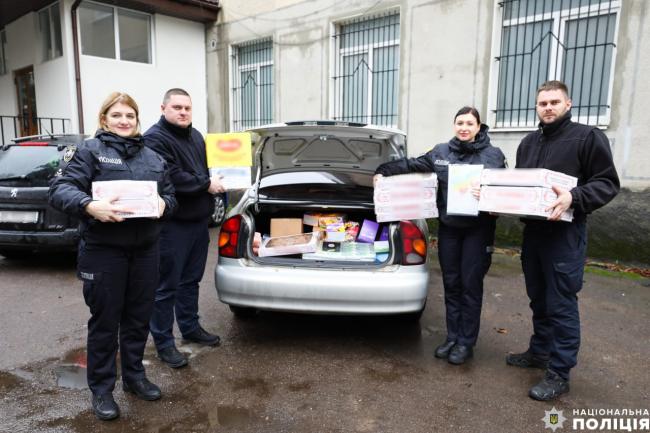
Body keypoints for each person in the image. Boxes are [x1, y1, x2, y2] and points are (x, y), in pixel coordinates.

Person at [49, 92, 177, 421]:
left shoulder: (152, 156)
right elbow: (60, 190)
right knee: (105, 323)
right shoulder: (90, 151)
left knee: (137, 320)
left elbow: (170, 194)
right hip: (103, 252)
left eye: (130, 116)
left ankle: (134, 377)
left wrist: (165, 204)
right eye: (117, 115)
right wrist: (89, 205)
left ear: (137, 120)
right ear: (105, 119)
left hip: (146, 251)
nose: (124, 121)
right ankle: (103, 389)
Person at [507, 80, 620, 401]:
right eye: (543, 103)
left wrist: (574, 197)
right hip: (534, 234)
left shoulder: (587, 137)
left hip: (565, 235)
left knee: (562, 304)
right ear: (537, 107)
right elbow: (520, 186)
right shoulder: (528, 143)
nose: (548, 108)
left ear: (567, 104)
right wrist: (491, 197)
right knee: (538, 298)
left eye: (554, 102)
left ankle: (559, 372)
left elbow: (607, 183)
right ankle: (540, 352)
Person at [375, 107, 506, 365]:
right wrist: (383, 170)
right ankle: (453, 337)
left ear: (479, 126)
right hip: (450, 230)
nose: (464, 127)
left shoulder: (493, 155)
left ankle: (466, 343)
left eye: (470, 123)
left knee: (470, 285)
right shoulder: (441, 152)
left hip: (478, 232)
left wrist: (490, 194)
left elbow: (505, 192)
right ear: (454, 125)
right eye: (460, 122)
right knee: (451, 283)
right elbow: (412, 164)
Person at [144, 88, 225, 369]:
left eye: (187, 108)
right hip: (172, 226)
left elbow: (205, 169)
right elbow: (171, 177)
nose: (183, 112)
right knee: (166, 286)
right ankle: (164, 343)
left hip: (198, 223)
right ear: (163, 107)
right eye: (177, 107)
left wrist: (216, 176)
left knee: (190, 281)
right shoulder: (153, 139)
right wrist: (205, 184)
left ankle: (190, 328)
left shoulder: (197, 136)